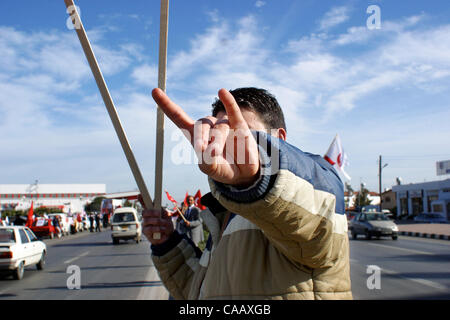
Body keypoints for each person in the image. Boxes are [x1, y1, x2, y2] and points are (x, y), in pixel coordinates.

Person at [142, 87, 352, 300]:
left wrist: (261, 170)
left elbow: (321, 205)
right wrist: (167, 242)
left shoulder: (310, 188)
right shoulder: (223, 214)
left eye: (245, 133)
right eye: (219, 133)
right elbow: (200, 291)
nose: (227, 143)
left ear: (280, 139)